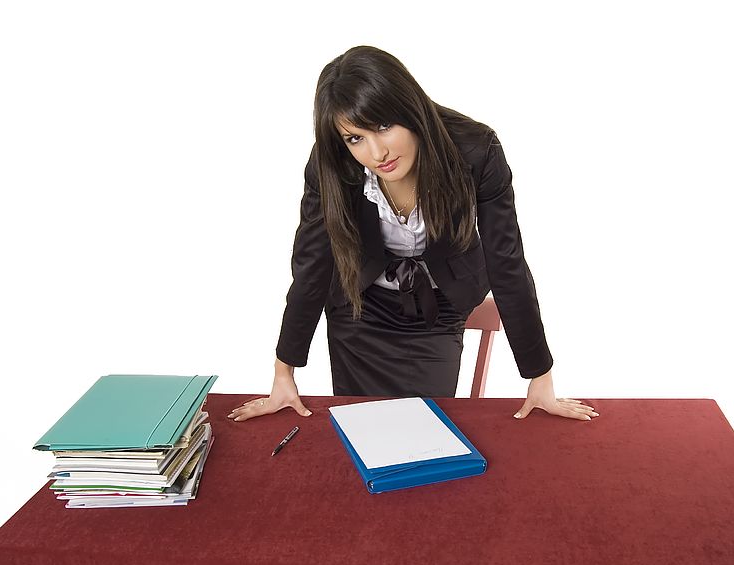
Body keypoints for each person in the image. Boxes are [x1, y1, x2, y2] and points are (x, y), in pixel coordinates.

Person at [229, 45, 598, 423]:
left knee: (427, 426)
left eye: (384, 126)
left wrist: (540, 376)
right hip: (359, 311)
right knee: (365, 427)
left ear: (411, 108)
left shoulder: (476, 151)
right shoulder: (332, 164)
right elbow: (312, 262)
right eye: (355, 138)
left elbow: (506, 260)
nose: (377, 152)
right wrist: (283, 371)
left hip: (438, 310)